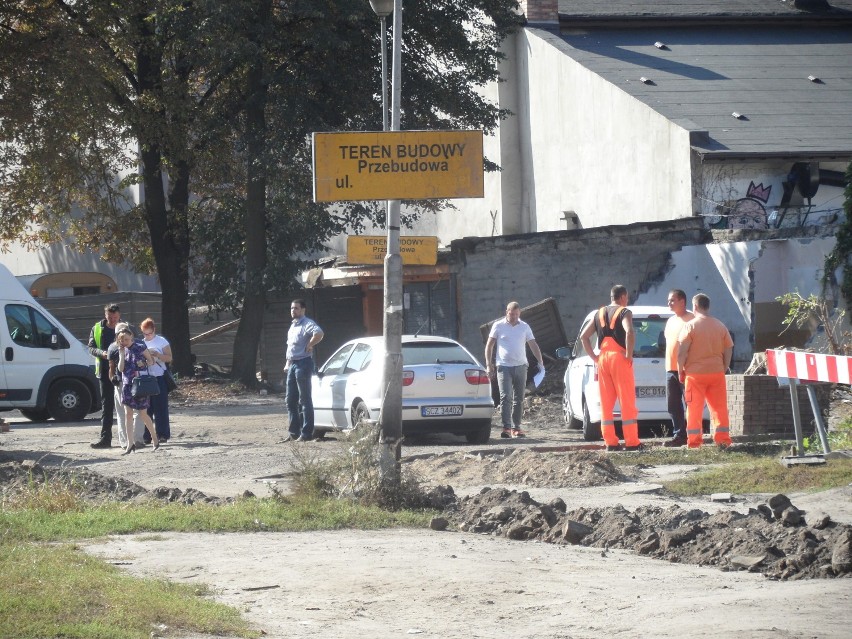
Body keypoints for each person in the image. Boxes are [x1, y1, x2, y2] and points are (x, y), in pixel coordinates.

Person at [580, 285, 641, 451]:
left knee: (606, 403)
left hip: (603, 359)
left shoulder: (599, 313)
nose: (626, 301)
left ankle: (610, 442)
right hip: (619, 358)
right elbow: (629, 332)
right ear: (622, 297)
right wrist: (628, 355)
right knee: (627, 401)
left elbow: (584, 336)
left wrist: (594, 357)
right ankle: (632, 442)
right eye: (626, 298)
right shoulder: (624, 312)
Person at [677, 293, 734, 449]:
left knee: (694, 409)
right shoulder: (720, 325)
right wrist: (724, 366)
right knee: (719, 408)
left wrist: (680, 370)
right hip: (716, 373)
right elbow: (729, 347)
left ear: (695, 306)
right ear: (708, 306)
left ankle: (695, 442)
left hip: (695, 375)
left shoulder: (690, 326)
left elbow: (682, 352)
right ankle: (723, 440)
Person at [485, 301, 544, 439]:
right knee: (506, 397)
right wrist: (489, 364)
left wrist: (540, 361)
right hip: (503, 367)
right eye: (511, 314)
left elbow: (533, 344)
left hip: (521, 366)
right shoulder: (498, 326)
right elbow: (489, 345)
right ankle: (506, 428)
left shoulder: (524, 327)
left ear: (520, 313)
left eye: (516, 314)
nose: (514, 317)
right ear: (507, 312)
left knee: (519, 398)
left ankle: (516, 427)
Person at [285, 299, 324, 442]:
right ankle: (293, 433)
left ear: (303, 310)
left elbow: (319, 333)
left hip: (304, 364)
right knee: (290, 400)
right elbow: (291, 347)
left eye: (296, 308)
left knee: (304, 400)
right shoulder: (293, 326)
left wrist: (310, 344)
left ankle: (306, 434)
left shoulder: (306, 323)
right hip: (293, 364)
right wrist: (287, 363)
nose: (293, 311)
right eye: (291, 308)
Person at [116, 328, 159, 454]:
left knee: (143, 414)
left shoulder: (140, 347)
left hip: (140, 385)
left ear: (132, 338)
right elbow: (121, 368)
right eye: (122, 340)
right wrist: (122, 354)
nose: (124, 342)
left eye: (127, 339)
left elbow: (151, 361)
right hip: (127, 385)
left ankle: (155, 439)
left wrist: (144, 363)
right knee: (128, 415)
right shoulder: (121, 350)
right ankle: (130, 444)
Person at [662, 289, 694, 447]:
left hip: (687, 369)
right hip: (671, 369)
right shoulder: (670, 321)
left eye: (672, 300)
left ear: (682, 301)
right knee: (673, 404)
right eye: (669, 300)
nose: (669, 303)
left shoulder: (692, 319)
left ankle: (693, 435)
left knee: (690, 403)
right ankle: (679, 435)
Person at [88, 303, 122, 449]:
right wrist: (101, 353)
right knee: (107, 406)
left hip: (123, 371)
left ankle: (133, 438)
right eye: (110, 317)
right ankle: (105, 439)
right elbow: (91, 347)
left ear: (119, 316)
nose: (113, 320)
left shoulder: (125, 328)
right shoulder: (96, 328)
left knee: (127, 405)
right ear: (105, 315)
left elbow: (134, 344)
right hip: (104, 371)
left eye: (115, 317)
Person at [107, 322, 144, 449]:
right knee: (137, 411)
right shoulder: (138, 344)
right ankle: (136, 439)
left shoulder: (113, 347)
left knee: (123, 413)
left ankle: (127, 441)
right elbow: (111, 367)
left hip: (128, 382)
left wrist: (112, 378)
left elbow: (111, 367)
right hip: (132, 382)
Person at [141, 318, 172, 444]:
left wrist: (158, 355)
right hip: (146, 378)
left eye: (150, 333)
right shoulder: (141, 343)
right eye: (145, 333)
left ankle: (163, 434)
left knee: (161, 407)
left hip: (159, 376)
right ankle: (147, 435)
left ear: (154, 330)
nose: (148, 336)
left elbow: (169, 358)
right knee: (147, 408)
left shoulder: (161, 341)